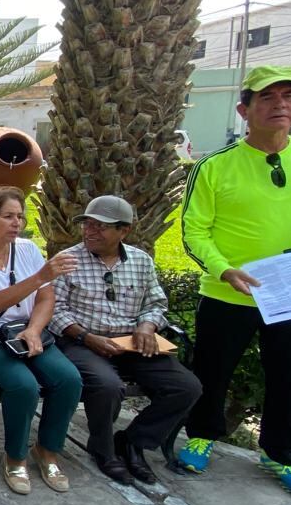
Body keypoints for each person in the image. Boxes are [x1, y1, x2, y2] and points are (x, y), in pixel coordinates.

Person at [178, 66, 291, 500]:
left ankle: (281, 454)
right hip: (228, 292)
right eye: (267, 97)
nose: (280, 104)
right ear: (245, 110)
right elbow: (194, 231)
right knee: (212, 371)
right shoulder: (214, 167)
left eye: (289, 95)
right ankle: (201, 437)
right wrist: (223, 270)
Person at [49, 195, 201, 485]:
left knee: (186, 387)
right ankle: (104, 451)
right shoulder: (68, 260)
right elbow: (54, 310)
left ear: (124, 230)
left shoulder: (140, 261)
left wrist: (147, 326)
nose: (90, 231)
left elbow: (156, 303)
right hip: (81, 340)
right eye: (87, 224)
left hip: (131, 341)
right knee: (108, 386)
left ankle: (133, 441)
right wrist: (86, 337)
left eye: (100, 226)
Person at [0, 187, 84, 495]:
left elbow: (46, 297)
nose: (17, 223)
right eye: (8, 216)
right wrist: (40, 277)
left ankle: (48, 450)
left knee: (68, 379)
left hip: (28, 331)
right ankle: (15, 457)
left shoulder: (27, 249)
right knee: (23, 386)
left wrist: (35, 330)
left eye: (20, 216)